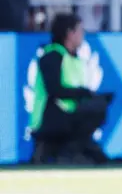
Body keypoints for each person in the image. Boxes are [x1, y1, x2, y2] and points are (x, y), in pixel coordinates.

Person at [29, 13, 112, 165]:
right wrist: (84, 93)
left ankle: (70, 151)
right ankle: (67, 152)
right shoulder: (52, 55)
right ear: (69, 33)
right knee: (96, 109)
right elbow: (54, 90)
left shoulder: (74, 58)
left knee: (98, 108)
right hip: (49, 117)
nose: (82, 35)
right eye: (80, 31)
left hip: (67, 114)